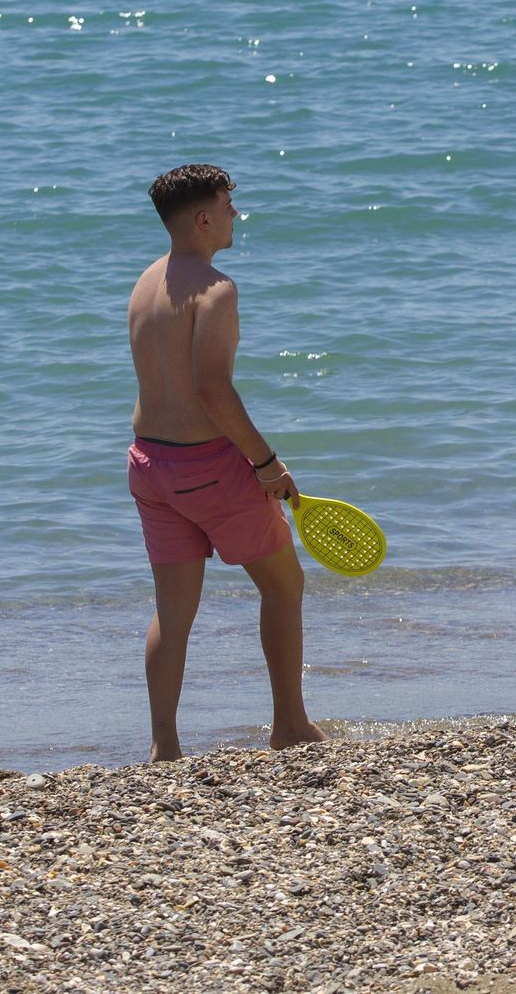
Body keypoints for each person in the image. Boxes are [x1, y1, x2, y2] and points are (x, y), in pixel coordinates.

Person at [126, 164, 329, 760]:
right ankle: (289, 725)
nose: (237, 216)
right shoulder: (216, 289)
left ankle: (165, 746)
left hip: (147, 464)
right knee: (284, 584)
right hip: (208, 466)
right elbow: (214, 391)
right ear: (204, 218)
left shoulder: (144, 283)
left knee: (173, 607)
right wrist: (267, 464)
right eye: (228, 206)